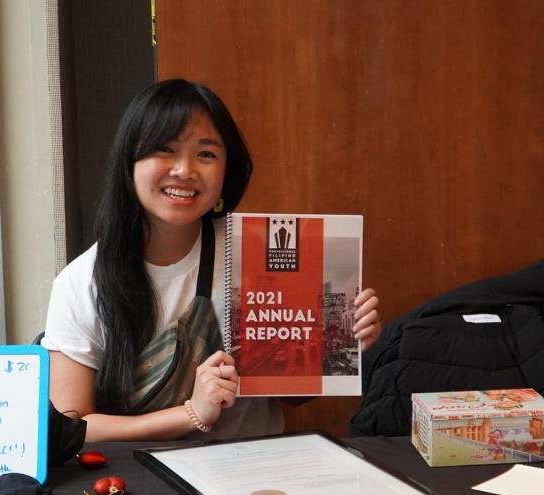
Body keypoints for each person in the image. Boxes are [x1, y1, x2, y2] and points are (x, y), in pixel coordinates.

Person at [41, 79, 381, 442]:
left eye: (206, 154)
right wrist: (191, 414)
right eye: (165, 149)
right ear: (130, 162)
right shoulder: (82, 282)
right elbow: (73, 425)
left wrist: (336, 345)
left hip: (253, 461)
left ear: (226, 171)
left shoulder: (257, 250)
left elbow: (291, 396)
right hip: (138, 469)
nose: (184, 170)